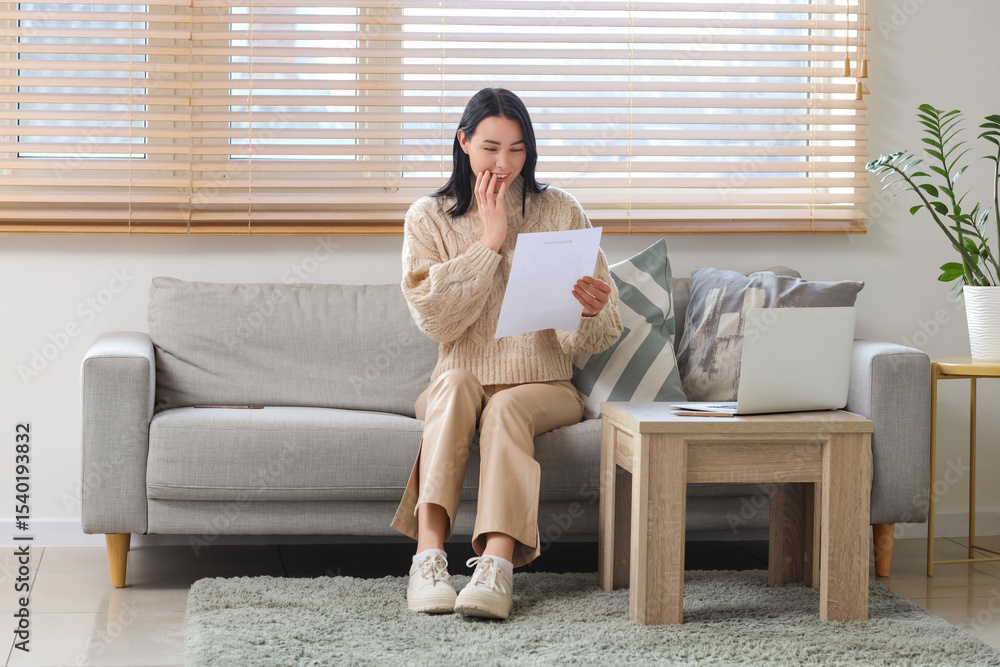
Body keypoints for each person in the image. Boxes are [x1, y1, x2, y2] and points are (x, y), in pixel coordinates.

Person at [390, 87, 623, 620]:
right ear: (463, 141)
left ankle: (496, 567)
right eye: (491, 147)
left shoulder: (560, 210)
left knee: (508, 406)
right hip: (457, 381)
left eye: (517, 149)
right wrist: (490, 241)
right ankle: (428, 557)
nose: (505, 162)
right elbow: (436, 319)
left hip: (544, 387)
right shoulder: (427, 217)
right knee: (455, 383)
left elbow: (600, 333)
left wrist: (590, 311)